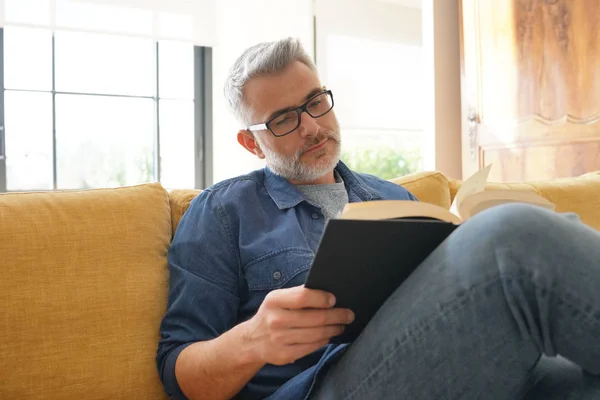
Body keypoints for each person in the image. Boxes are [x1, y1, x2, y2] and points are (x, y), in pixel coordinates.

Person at [156, 37, 600, 400]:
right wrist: (252, 340)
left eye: (314, 102)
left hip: (442, 364)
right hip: (319, 387)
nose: (311, 126)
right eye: (284, 121)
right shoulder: (221, 212)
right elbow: (180, 376)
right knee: (510, 237)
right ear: (251, 144)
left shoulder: (391, 198)